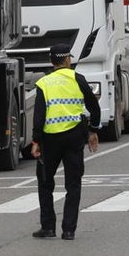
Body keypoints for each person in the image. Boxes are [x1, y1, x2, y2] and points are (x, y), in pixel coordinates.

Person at [31, 43, 100, 240]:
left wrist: (36, 141)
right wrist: (93, 131)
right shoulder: (78, 79)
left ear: (51, 61)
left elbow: (39, 115)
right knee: (73, 183)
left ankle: (48, 227)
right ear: (68, 59)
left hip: (50, 139)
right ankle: (69, 230)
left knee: (45, 182)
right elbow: (94, 107)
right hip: (74, 137)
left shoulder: (44, 83)